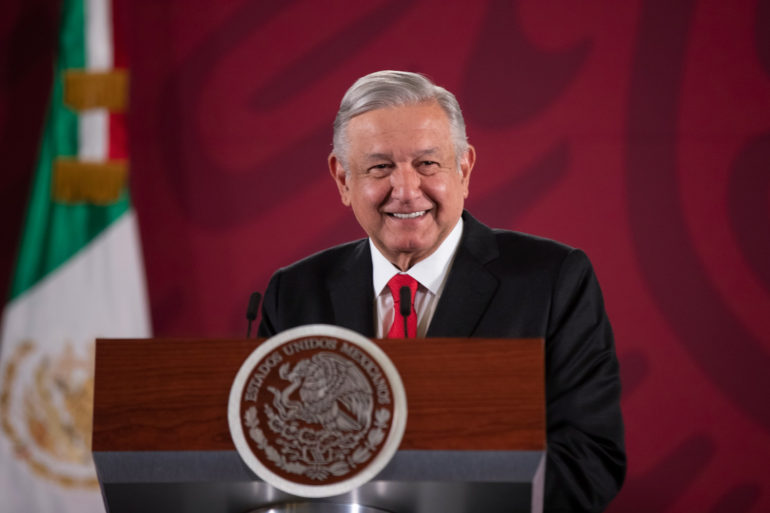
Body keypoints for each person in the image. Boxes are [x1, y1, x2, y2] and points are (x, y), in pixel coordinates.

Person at [258, 70, 625, 512]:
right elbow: (265, 454)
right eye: (380, 167)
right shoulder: (294, 293)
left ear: (463, 169)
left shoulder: (553, 280)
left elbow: (590, 460)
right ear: (343, 179)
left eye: (427, 164)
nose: (406, 191)